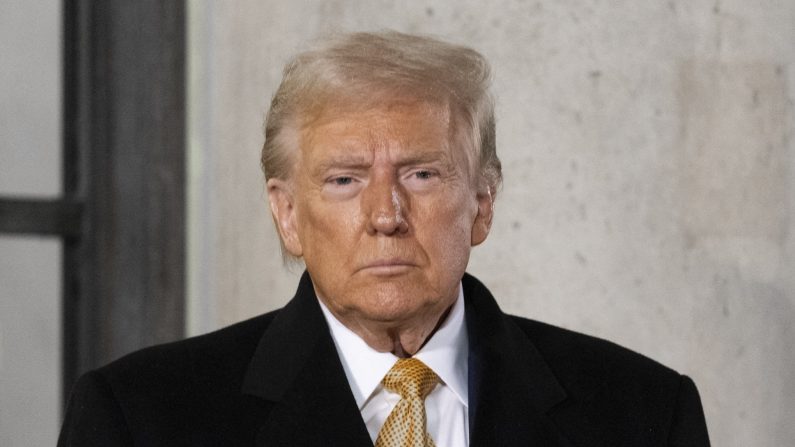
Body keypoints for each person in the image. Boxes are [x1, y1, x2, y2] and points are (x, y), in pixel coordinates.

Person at [59, 31, 710, 446]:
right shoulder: (141, 419)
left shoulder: (643, 414)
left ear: (482, 201)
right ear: (287, 213)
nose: (385, 213)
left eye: (422, 174)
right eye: (343, 179)